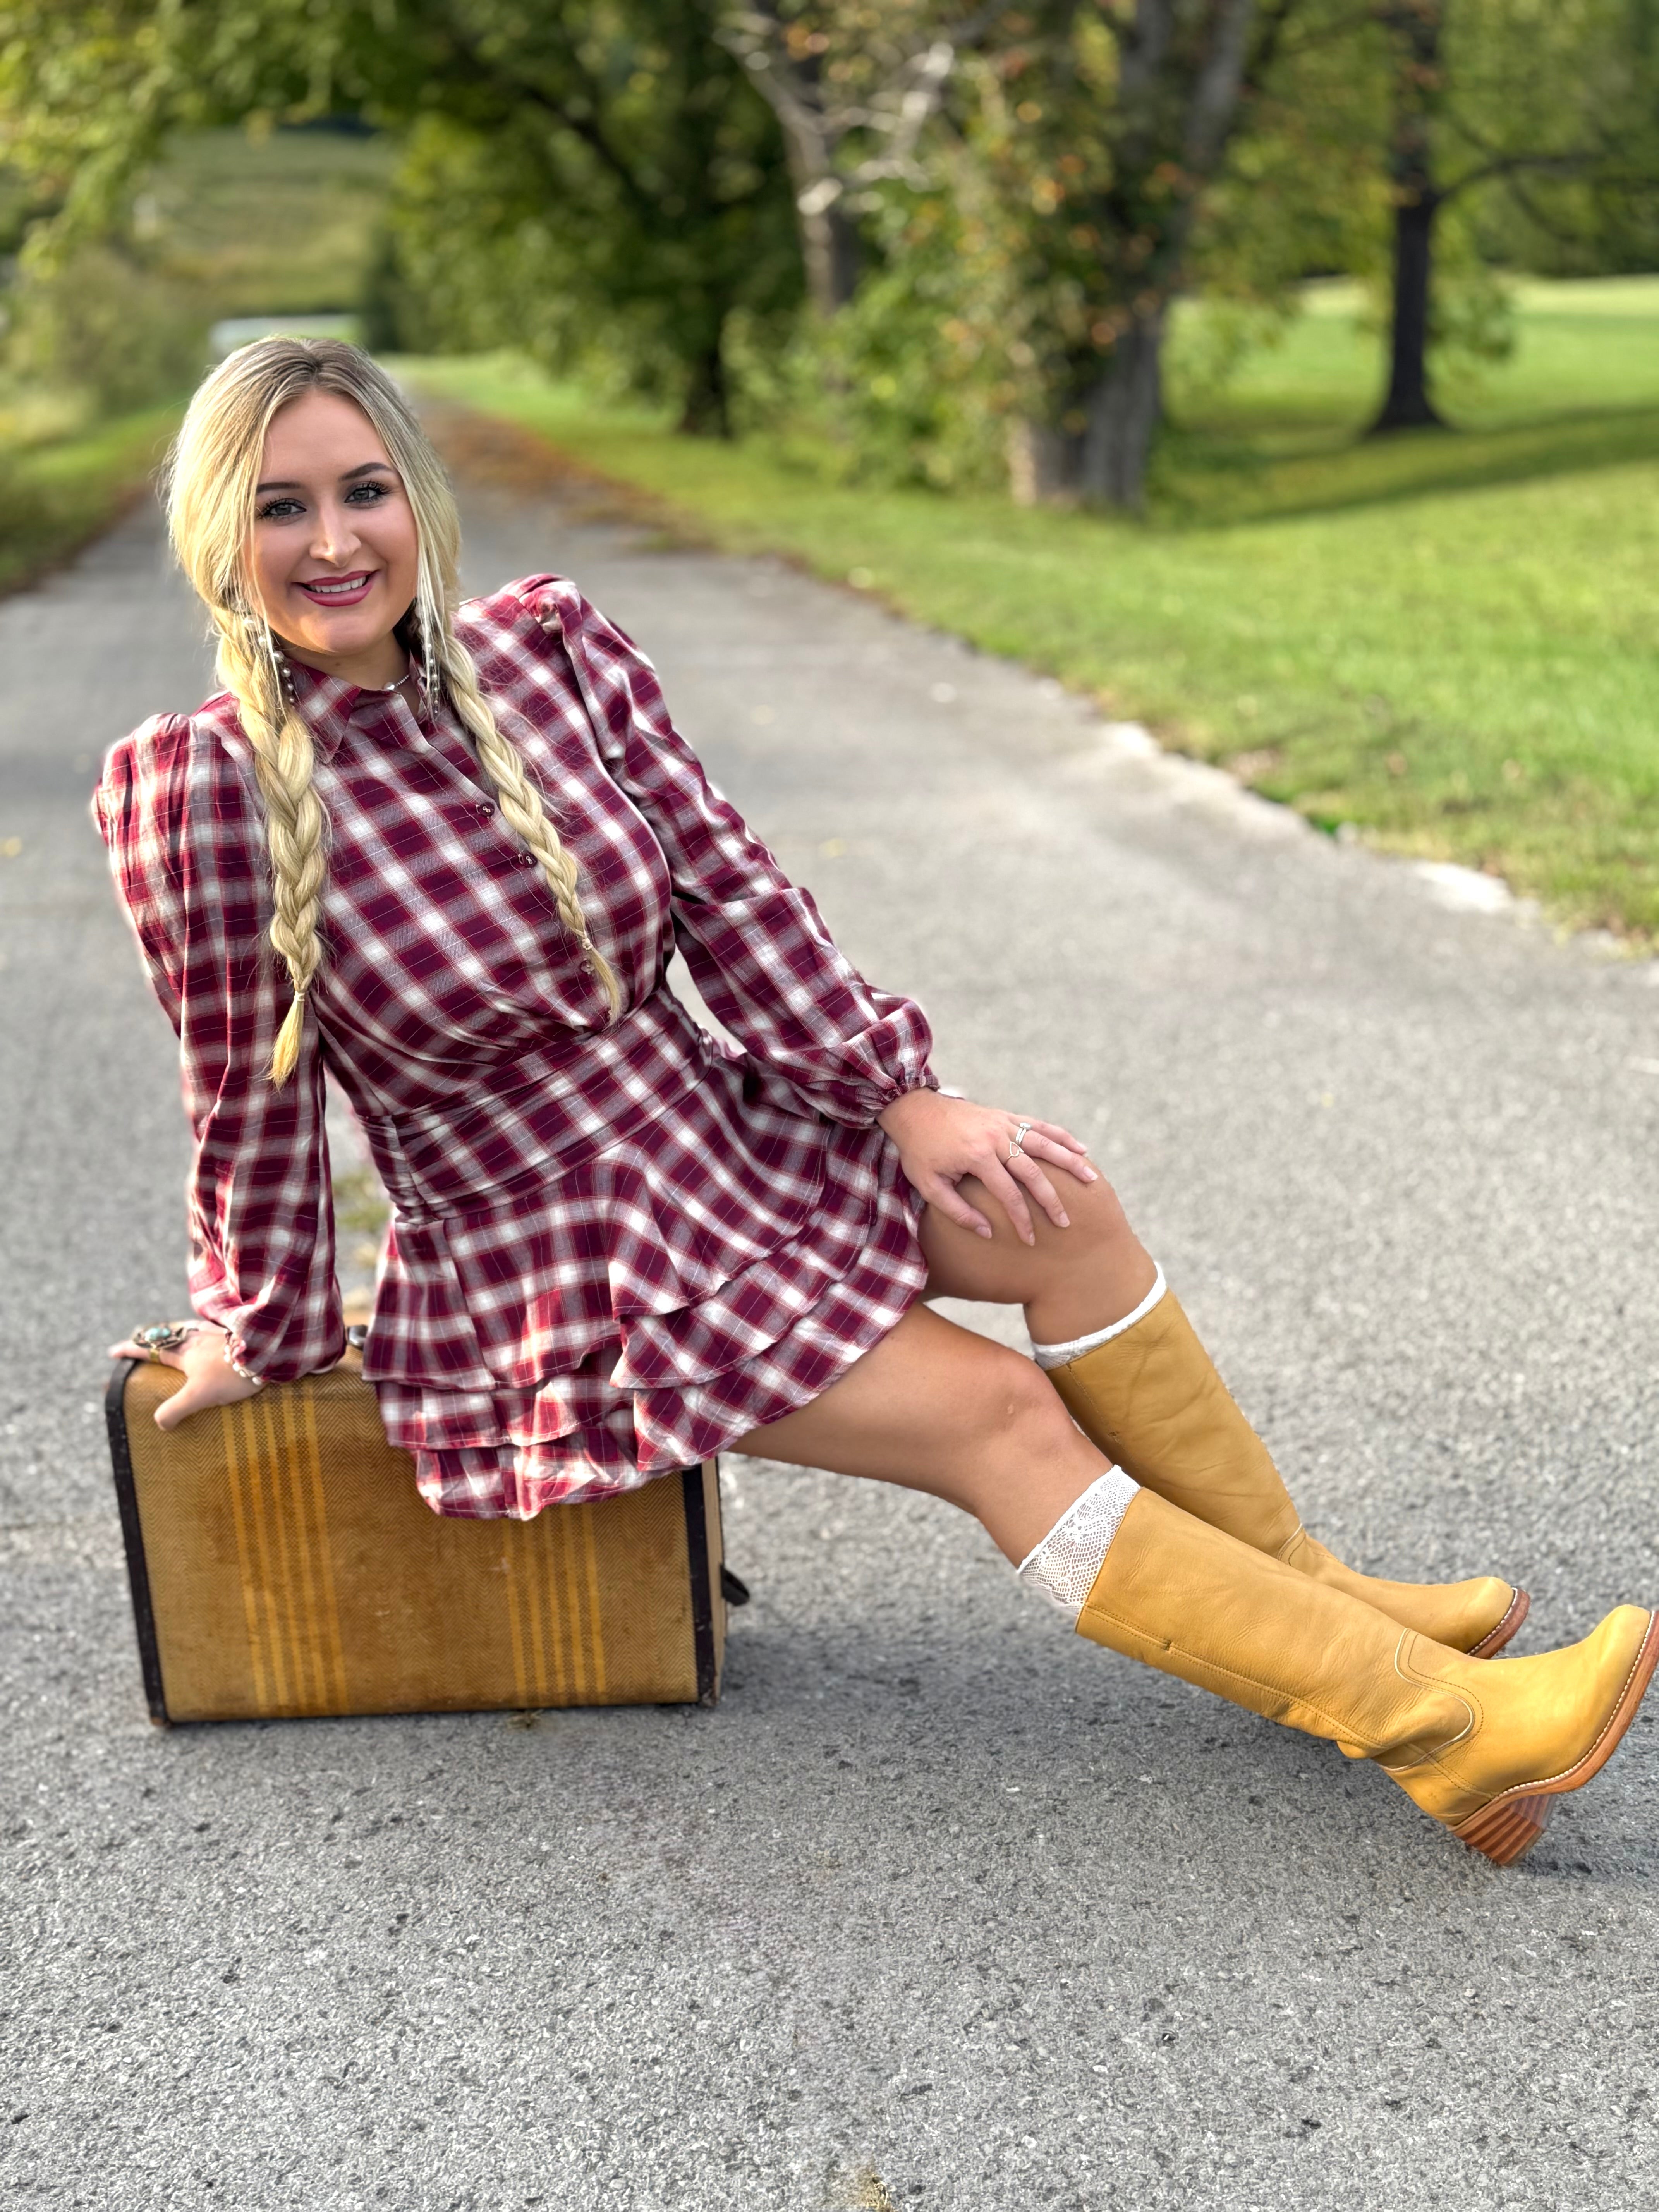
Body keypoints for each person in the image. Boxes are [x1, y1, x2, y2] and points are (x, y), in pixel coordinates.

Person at [99, 339, 1652, 1868]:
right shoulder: (210, 791)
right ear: (220, 537)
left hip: (722, 1137)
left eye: (363, 489)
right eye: (282, 505)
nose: (334, 540)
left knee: (1056, 1205)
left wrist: (900, 1097)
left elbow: (733, 894)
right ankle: (1441, 1727)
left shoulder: (545, 661)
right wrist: (260, 1319)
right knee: (996, 1417)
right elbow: (246, 1093)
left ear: (418, 499)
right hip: (572, 1265)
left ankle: (1314, 1594)